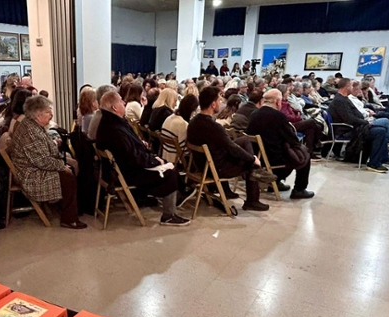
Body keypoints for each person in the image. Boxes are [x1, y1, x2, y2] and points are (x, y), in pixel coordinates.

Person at [95, 91, 190, 226]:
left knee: (167, 165)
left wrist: (143, 149)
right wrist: (154, 161)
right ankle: (169, 215)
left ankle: (175, 196)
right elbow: (132, 157)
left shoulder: (109, 122)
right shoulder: (115, 128)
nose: (124, 102)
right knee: (170, 172)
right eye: (121, 101)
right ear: (115, 107)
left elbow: (129, 150)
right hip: (129, 173)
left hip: (119, 169)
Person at [9, 96, 86, 229]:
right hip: (31, 174)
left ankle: (69, 208)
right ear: (37, 115)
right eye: (48, 112)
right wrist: (62, 166)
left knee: (70, 166)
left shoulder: (32, 124)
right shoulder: (30, 132)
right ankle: (69, 219)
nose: (51, 115)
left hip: (34, 167)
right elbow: (42, 161)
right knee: (67, 177)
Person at [186, 86, 267, 211]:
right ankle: (252, 200)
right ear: (213, 104)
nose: (221, 103)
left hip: (202, 164)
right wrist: (252, 159)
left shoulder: (193, 122)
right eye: (219, 100)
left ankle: (229, 189)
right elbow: (231, 148)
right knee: (250, 163)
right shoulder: (213, 127)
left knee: (244, 140)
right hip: (217, 168)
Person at [246, 89, 315, 199]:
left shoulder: (254, 114)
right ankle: (299, 189)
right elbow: (293, 139)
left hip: (258, 156)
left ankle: (275, 184)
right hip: (274, 159)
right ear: (278, 102)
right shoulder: (278, 116)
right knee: (304, 152)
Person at [328, 78, 389, 173]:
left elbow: (355, 115)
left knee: (381, 129)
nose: (353, 88)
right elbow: (349, 119)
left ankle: (379, 159)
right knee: (380, 131)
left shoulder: (344, 99)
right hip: (347, 130)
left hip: (355, 127)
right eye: (351, 86)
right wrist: (366, 123)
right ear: (347, 87)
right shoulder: (340, 101)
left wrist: (364, 121)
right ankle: (374, 163)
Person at [160, 94, 198, 163]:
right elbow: (184, 150)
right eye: (194, 111)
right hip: (176, 160)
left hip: (165, 156)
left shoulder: (169, 118)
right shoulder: (182, 124)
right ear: (191, 110)